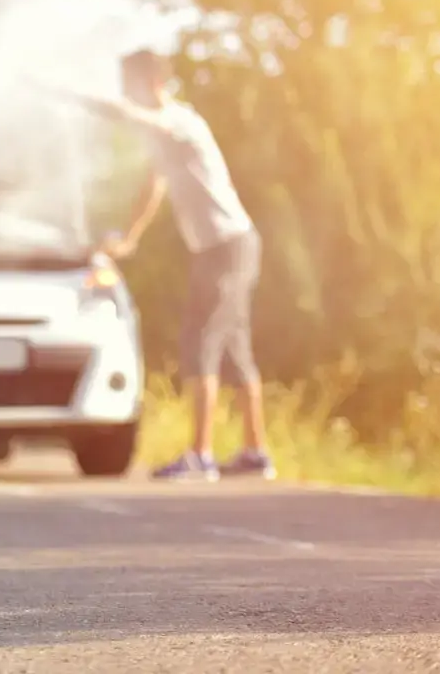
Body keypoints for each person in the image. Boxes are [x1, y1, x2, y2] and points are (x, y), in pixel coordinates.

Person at [51, 50, 275, 482]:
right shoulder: (166, 136)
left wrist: (70, 95)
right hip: (227, 246)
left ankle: (201, 456)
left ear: (153, 82)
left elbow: (128, 114)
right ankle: (255, 453)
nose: (124, 92)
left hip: (226, 247)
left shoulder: (180, 122)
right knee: (233, 348)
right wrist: (130, 237)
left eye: (129, 82)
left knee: (201, 343)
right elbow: (153, 187)